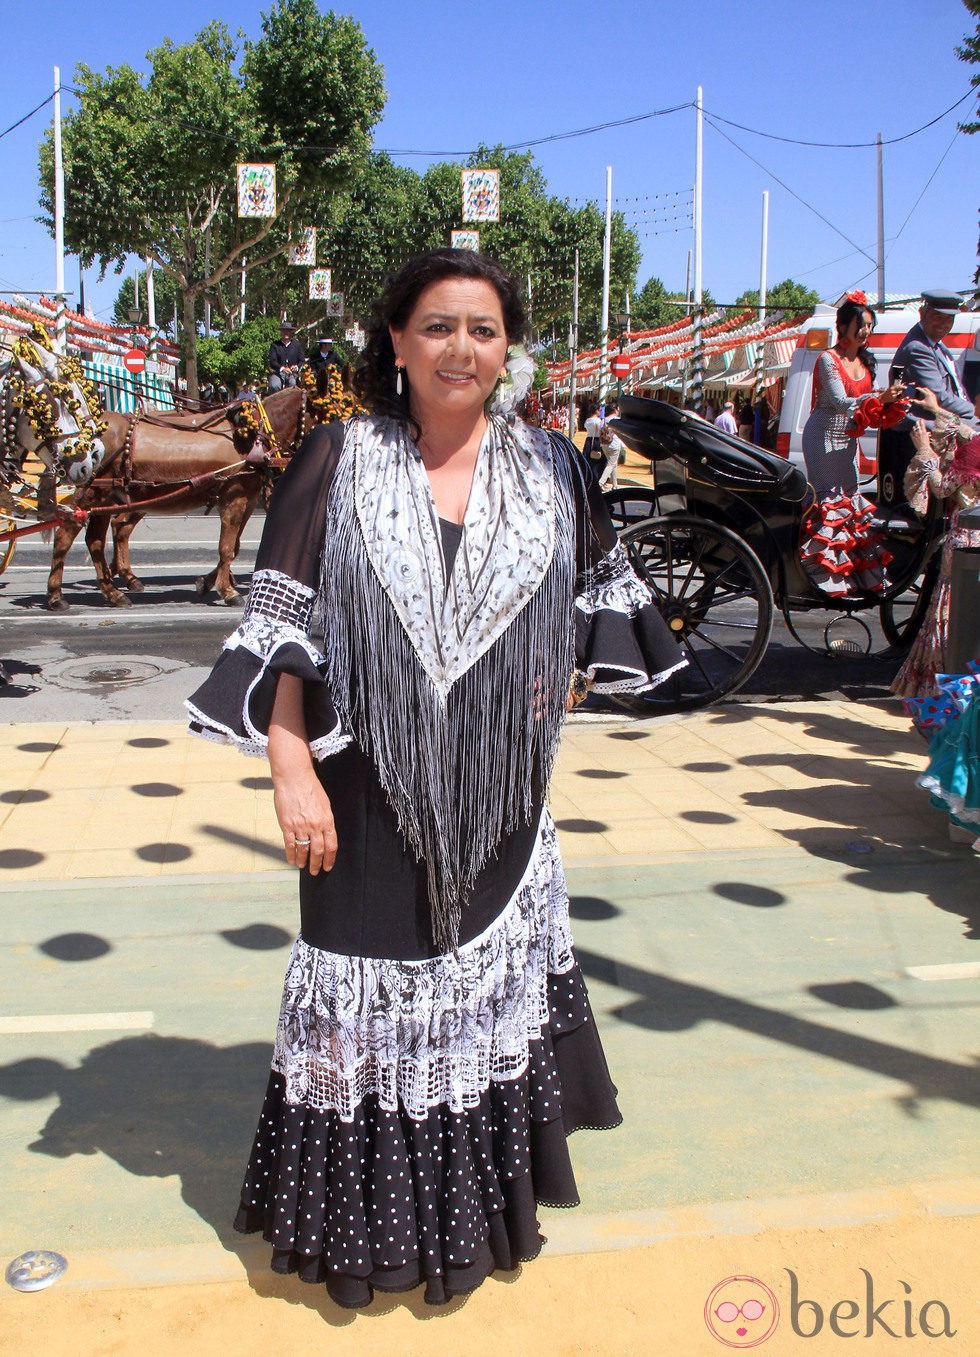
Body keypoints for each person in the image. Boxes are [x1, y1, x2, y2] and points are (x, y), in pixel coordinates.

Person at [186, 248, 686, 1310]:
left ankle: (470, 1220)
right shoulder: (338, 456)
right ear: (398, 344)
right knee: (364, 994)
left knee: (472, 996)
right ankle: (366, 1234)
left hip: (499, 796)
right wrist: (288, 767)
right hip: (358, 793)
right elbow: (283, 626)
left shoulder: (551, 466)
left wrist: (544, 695)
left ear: (508, 350)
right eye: (438, 326)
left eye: (484, 329)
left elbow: (600, 605)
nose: (462, 347)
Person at [798, 292, 906, 595]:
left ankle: (847, 573)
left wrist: (886, 404)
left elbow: (862, 409)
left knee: (849, 498)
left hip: (847, 437)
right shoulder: (827, 359)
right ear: (844, 326)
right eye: (861, 324)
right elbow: (840, 401)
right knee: (828, 500)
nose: (866, 331)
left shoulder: (863, 361)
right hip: (822, 436)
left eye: (870, 325)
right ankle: (818, 570)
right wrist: (876, 398)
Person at [891, 395, 980, 701]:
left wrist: (925, 451)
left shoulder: (973, 450)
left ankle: (939, 689)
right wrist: (935, 410)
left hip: (965, 541)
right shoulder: (973, 441)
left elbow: (942, 487)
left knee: (948, 613)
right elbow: (964, 429)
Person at [891, 289, 977, 426]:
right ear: (922, 313)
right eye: (938, 316)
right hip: (926, 433)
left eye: (949, 318)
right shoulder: (918, 347)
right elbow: (939, 397)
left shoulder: (936, 344)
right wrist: (976, 412)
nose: (944, 324)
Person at [267, 321, 305, 391]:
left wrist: (296, 367)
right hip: (278, 372)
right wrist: (282, 368)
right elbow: (272, 361)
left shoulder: (297, 345)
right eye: (284, 331)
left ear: (291, 332)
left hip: (292, 373)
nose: (286, 333)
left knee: (293, 385)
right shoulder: (275, 345)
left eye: (288, 331)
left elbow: (302, 360)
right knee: (274, 385)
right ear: (281, 332)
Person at [599, 401, 625, 489]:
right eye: (617, 409)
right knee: (611, 464)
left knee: (613, 464)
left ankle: (615, 485)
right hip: (615, 444)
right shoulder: (617, 420)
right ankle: (600, 482)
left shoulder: (603, 420)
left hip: (604, 444)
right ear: (614, 410)